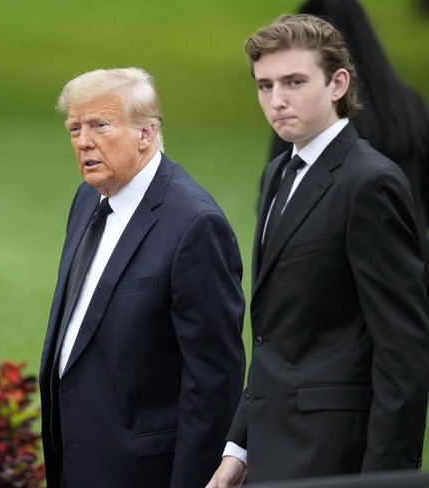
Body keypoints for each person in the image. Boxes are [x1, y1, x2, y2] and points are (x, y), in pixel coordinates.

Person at [207, 14, 429, 487]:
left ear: (337, 83)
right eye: (264, 85)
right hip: (270, 449)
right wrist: (238, 448)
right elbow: (275, 335)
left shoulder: (370, 183)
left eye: (294, 81)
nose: (277, 100)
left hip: (335, 457)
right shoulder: (277, 175)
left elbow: (403, 350)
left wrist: (384, 480)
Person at [39, 67, 246, 488]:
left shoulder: (194, 224)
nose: (83, 141)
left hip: (145, 473)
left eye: (100, 125)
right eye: (75, 128)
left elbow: (214, 381)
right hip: (78, 464)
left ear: (146, 135)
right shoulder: (88, 199)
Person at [268, 0, 429, 295]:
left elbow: (280, 208)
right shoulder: (409, 107)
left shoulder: (303, 120)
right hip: (411, 272)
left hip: (333, 291)